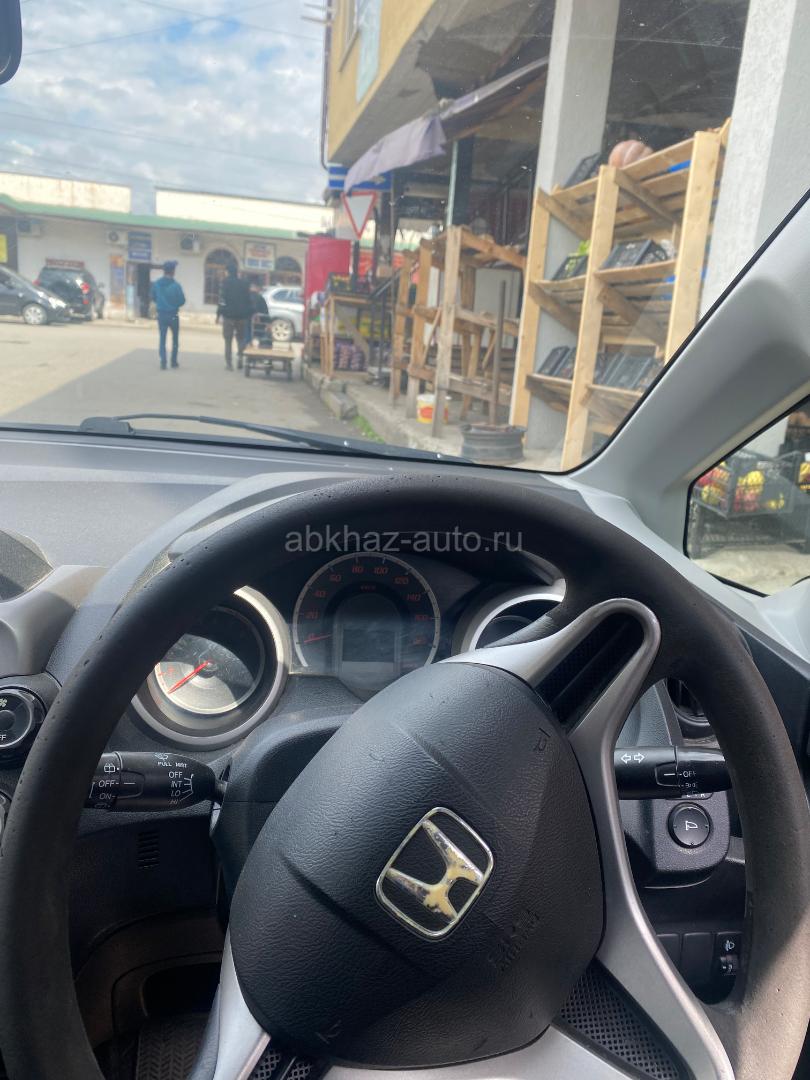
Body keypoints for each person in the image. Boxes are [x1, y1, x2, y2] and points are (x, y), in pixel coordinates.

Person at [216, 264, 252, 370]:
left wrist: (218, 314)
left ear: (228, 272)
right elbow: (248, 300)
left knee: (228, 340)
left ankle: (229, 364)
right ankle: (240, 357)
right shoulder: (244, 283)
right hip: (241, 317)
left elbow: (222, 300)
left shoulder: (225, 283)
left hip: (228, 317)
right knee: (241, 339)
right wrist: (248, 314)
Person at [150, 261, 185, 369]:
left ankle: (163, 362)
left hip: (162, 314)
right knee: (175, 339)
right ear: (173, 271)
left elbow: (153, 297)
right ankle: (173, 361)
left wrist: (161, 303)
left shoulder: (157, 284)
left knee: (162, 338)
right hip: (173, 314)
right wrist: (174, 304)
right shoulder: (176, 286)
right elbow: (182, 301)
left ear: (164, 271)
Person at [242, 282, 269, 353]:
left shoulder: (245, 297)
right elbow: (265, 311)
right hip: (259, 324)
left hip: (247, 321)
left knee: (246, 336)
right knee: (261, 336)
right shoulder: (260, 298)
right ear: (257, 288)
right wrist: (267, 322)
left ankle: (245, 347)